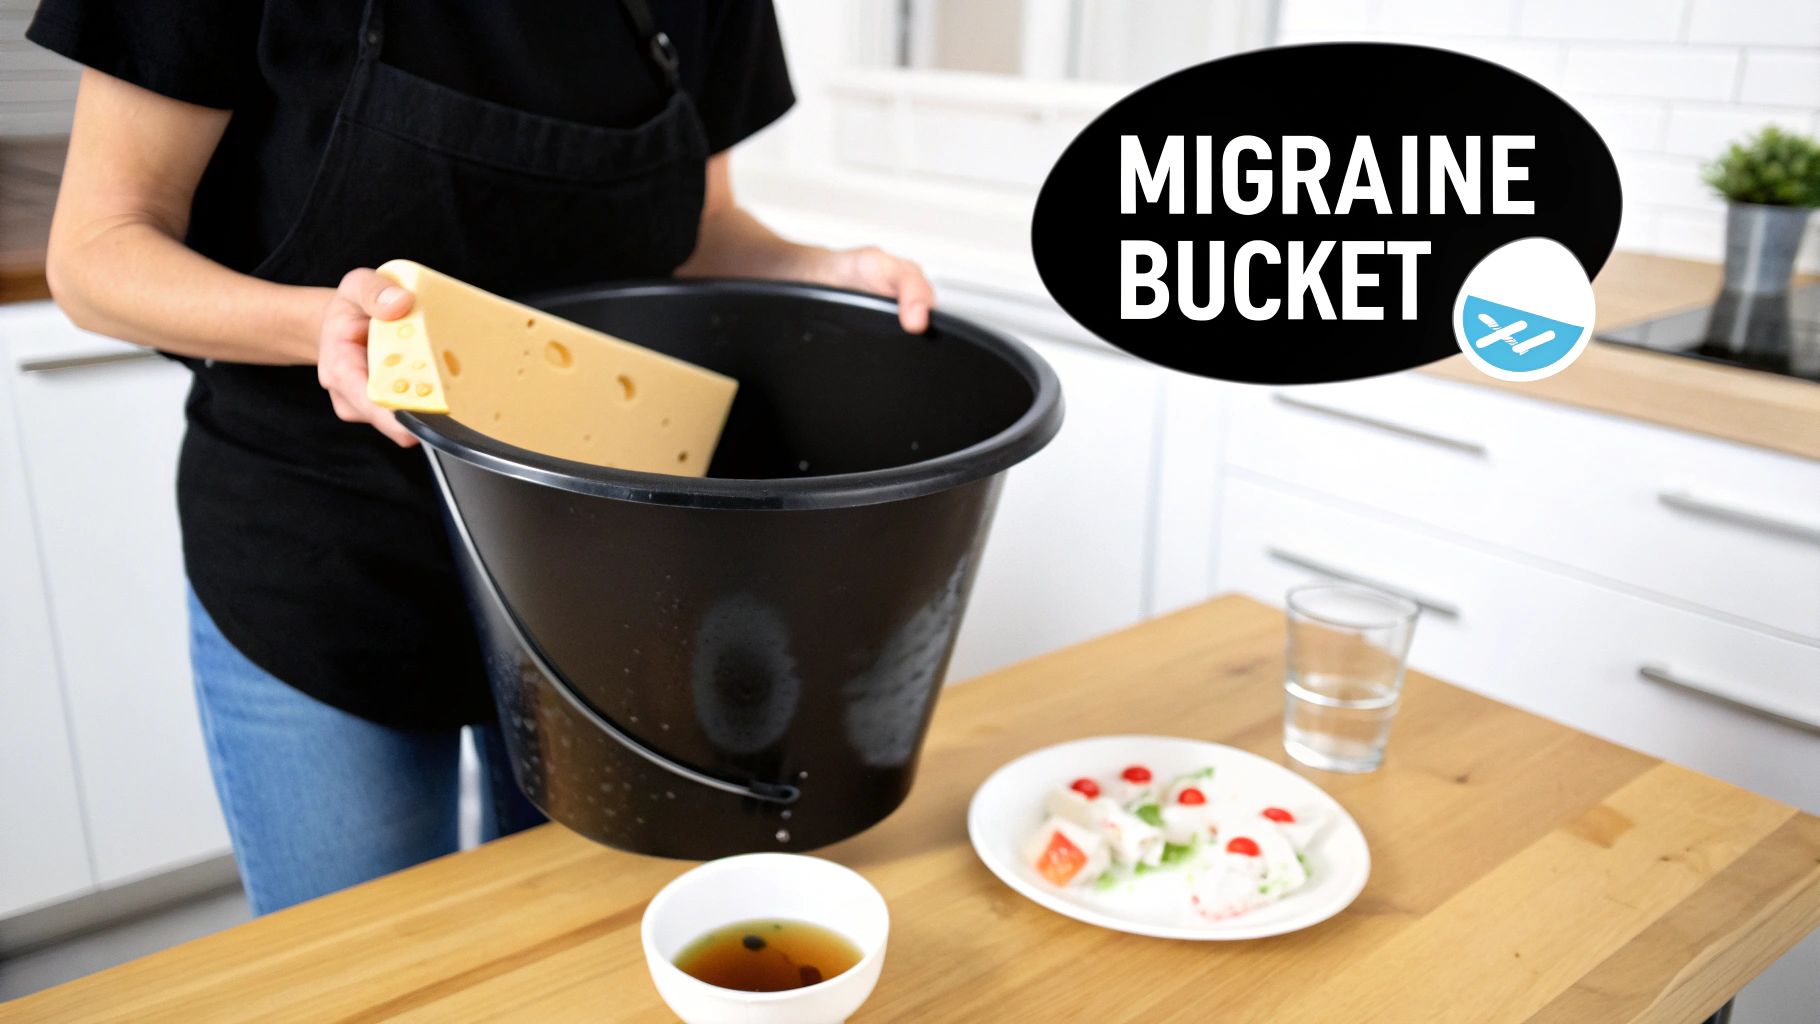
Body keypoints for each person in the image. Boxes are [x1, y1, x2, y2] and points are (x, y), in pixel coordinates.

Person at [29, 0, 935, 915]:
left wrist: (816, 270)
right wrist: (321, 327)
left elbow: (700, 228)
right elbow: (97, 253)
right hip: (327, 559)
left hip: (595, 587)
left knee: (563, 960)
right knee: (365, 973)